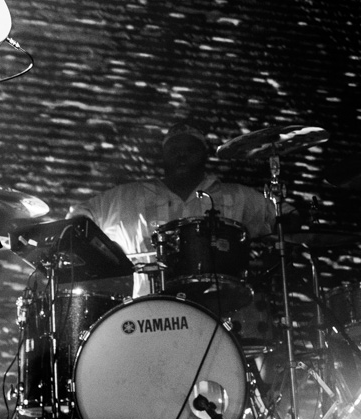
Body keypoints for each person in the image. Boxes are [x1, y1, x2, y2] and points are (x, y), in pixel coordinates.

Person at [68, 123, 279, 302]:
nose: (182, 155)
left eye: (190, 149)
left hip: (219, 312)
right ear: (163, 155)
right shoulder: (128, 196)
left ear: (204, 154)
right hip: (146, 315)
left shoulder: (235, 196)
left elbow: (281, 217)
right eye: (174, 149)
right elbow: (79, 217)